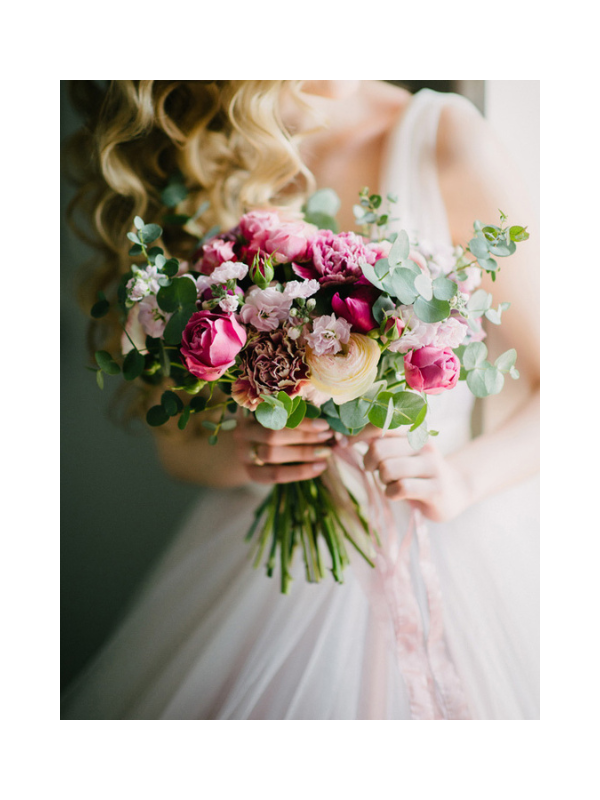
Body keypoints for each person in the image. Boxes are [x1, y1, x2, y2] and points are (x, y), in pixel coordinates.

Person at [62, 80, 539, 720]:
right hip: (255, 567)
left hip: (441, 552)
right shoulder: (194, 156)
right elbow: (175, 447)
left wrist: (458, 478)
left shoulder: (442, 140)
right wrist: (243, 453)